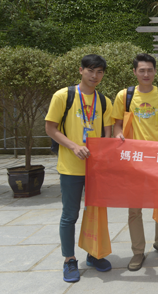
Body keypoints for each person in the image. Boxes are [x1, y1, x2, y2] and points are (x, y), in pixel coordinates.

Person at [45, 54, 113, 283]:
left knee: (96, 213)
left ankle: (94, 254)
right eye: (91, 71)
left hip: (95, 170)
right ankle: (69, 259)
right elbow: (50, 128)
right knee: (69, 215)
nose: (95, 76)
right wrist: (74, 146)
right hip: (70, 167)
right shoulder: (63, 96)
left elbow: (107, 134)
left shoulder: (104, 101)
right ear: (81, 70)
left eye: (100, 72)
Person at [111, 53, 158, 271]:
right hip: (134, 160)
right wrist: (118, 135)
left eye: (150, 70)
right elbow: (117, 125)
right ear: (135, 72)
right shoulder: (125, 96)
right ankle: (138, 251)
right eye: (142, 70)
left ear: (155, 72)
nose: (146, 74)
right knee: (134, 209)